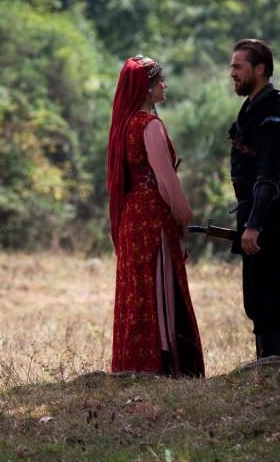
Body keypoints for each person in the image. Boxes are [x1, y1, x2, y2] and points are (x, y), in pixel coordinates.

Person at [106, 54, 206, 377]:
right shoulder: (149, 125)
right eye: (161, 80)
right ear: (148, 88)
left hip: (132, 218)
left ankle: (135, 364)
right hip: (152, 216)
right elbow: (166, 180)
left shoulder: (124, 126)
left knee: (139, 290)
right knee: (158, 287)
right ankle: (163, 365)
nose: (166, 85)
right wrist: (184, 216)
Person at [227, 38, 280, 359]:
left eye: (238, 66)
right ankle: (267, 372)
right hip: (257, 219)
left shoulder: (272, 112)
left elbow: (270, 176)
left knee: (273, 300)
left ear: (260, 69)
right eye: (232, 66)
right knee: (258, 302)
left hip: (270, 222)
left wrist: (254, 225)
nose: (232, 73)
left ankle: (278, 371)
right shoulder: (252, 108)